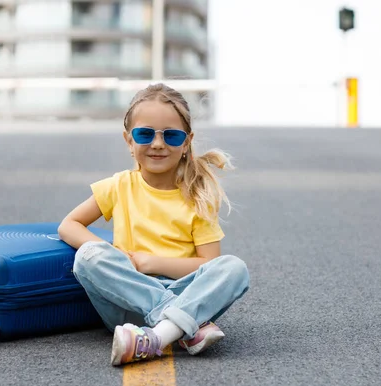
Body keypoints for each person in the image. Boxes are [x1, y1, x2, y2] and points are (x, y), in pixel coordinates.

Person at [57, 83, 250, 367]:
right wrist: (119, 257)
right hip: (127, 301)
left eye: (171, 136)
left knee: (234, 268)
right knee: (87, 255)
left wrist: (151, 263)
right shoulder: (119, 186)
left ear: (186, 142)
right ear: (129, 140)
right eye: (145, 134)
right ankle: (178, 328)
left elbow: (209, 262)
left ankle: (156, 337)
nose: (158, 144)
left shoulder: (198, 197)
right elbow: (69, 225)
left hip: (186, 295)